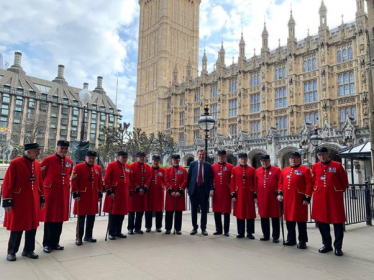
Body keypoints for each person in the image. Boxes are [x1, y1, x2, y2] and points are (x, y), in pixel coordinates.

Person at [2, 143, 45, 261]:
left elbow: (40, 182)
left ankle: (28, 250)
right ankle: (12, 252)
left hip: (33, 201)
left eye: (38, 150)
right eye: (36, 151)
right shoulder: (16, 163)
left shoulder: (37, 164)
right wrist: (7, 201)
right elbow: (8, 183)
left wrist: (42, 198)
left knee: (32, 227)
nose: (38, 153)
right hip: (19, 201)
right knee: (17, 227)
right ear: (28, 151)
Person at [311, 147, 348, 256]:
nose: (321, 157)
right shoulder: (315, 166)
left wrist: (338, 191)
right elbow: (313, 181)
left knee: (337, 223)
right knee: (322, 223)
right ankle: (327, 245)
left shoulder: (337, 165)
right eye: (319, 155)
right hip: (320, 198)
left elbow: (344, 181)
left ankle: (338, 247)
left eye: (323, 155)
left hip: (334, 198)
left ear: (327, 154)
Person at [40, 140, 73, 253]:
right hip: (51, 193)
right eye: (61, 148)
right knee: (49, 219)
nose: (63, 150)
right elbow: (41, 176)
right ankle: (47, 244)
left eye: (65, 148)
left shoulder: (69, 162)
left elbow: (68, 175)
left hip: (63, 194)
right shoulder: (48, 160)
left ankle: (55, 242)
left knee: (59, 219)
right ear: (57, 148)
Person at [277, 152, 313, 249]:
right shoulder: (284, 170)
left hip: (299, 199)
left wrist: (307, 197)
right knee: (289, 220)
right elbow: (280, 183)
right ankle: (291, 239)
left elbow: (309, 185)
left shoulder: (305, 170)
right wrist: (280, 193)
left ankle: (302, 241)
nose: (293, 160)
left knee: (301, 221)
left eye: (295, 158)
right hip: (287, 199)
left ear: (299, 159)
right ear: (289, 160)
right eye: (291, 159)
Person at [71, 150, 103, 246]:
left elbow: (99, 182)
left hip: (93, 195)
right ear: (85, 158)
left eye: (93, 158)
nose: (91, 160)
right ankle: (78, 237)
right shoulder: (78, 167)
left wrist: (100, 194)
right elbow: (74, 181)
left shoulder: (98, 168)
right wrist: (75, 194)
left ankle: (88, 236)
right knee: (81, 218)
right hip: (82, 196)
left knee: (91, 217)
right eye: (90, 158)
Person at [103, 151, 130, 240]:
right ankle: (111, 232)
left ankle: (118, 231)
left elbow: (128, 180)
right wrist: (109, 191)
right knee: (113, 214)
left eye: (126, 157)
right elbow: (107, 179)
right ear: (118, 157)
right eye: (123, 157)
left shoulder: (127, 167)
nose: (125, 159)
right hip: (115, 193)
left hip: (123, 193)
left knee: (121, 214)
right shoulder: (112, 165)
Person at [254, 155, 281, 243]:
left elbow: (280, 182)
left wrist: (279, 193)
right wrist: (255, 196)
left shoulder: (276, 170)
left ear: (269, 161)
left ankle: (275, 236)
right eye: (262, 161)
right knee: (264, 216)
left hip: (273, 197)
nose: (264, 163)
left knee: (275, 216)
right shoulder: (257, 171)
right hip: (262, 196)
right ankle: (265, 234)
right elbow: (255, 184)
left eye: (266, 161)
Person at [187, 149, 213, 236]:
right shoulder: (192, 164)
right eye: (200, 154)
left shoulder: (208, 165)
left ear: (204, 156)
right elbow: (189, 177)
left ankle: (203, 228)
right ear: (197, 155)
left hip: (203, 189)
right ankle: (194, 227)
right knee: (194, 210)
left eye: (203, 155)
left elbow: (210, 178)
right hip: (194, 189)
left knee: (204, 210)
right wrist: (188, 188)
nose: (201, 156)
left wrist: (211, 189)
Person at [230, 153, 256, 239]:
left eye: (244, 159)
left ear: (247, 159)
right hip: (239, 194)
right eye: (241, 159)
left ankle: (250, 232)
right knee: (240, 213)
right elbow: (232, 181)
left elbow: (255, 182)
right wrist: (233, 193)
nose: (243, 160)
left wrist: (255, 193)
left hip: (249, 194)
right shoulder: (234, 169)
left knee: (250, 214)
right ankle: (240, 232)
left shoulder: (252, 169)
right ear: (239, 160)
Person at [128, 152, 151, 234]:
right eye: (140, 157)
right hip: (135, 193)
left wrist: (144, 188)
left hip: (143, 193)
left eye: (143, 157)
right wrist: (137, 188)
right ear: (137, 158)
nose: (141, 159)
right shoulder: (131, 166)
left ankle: (138, 228)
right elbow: (131, 178)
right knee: (131, 211)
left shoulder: (148, 167)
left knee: (140, 211)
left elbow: (149, 178)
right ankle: (130, 228)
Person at [211, 150, 233, 236]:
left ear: (225, 157)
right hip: (216, 191)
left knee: (226, 212)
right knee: (217, 211)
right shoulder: (213, 166)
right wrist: (211, 189)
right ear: (217, 157)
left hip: (226, 192)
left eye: (222, 156)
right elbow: (210, 179)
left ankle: (226, 230)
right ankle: (218, 229)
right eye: (219, 156)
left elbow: (232, 180)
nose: (221, 158)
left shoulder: (230, 166)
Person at [164, 154, 187, 234]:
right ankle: (168, 228)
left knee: (178, 212)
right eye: (174, 160)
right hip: (171, 194)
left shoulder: (183, 170)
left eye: (177, 160)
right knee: (169, 212)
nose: (175, 161)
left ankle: (178, 229)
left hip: (179, 194)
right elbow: (166, 180)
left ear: (179, 160)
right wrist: (171, 191)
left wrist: (180, 191)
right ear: (172, 160)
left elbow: (185, 181)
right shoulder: (168, 170)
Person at [145, 155, 165, 233]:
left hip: (159, 192)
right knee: (148, 209)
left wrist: (162, 185)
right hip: (150, 192)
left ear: (159, 162)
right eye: (154, 161)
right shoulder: (148, 170)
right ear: (152, 161)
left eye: (157, 161)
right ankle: (148, 227)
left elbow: (164, 181)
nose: (155, 162)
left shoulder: (162, 170)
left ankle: (158, 227)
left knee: (159, 210)